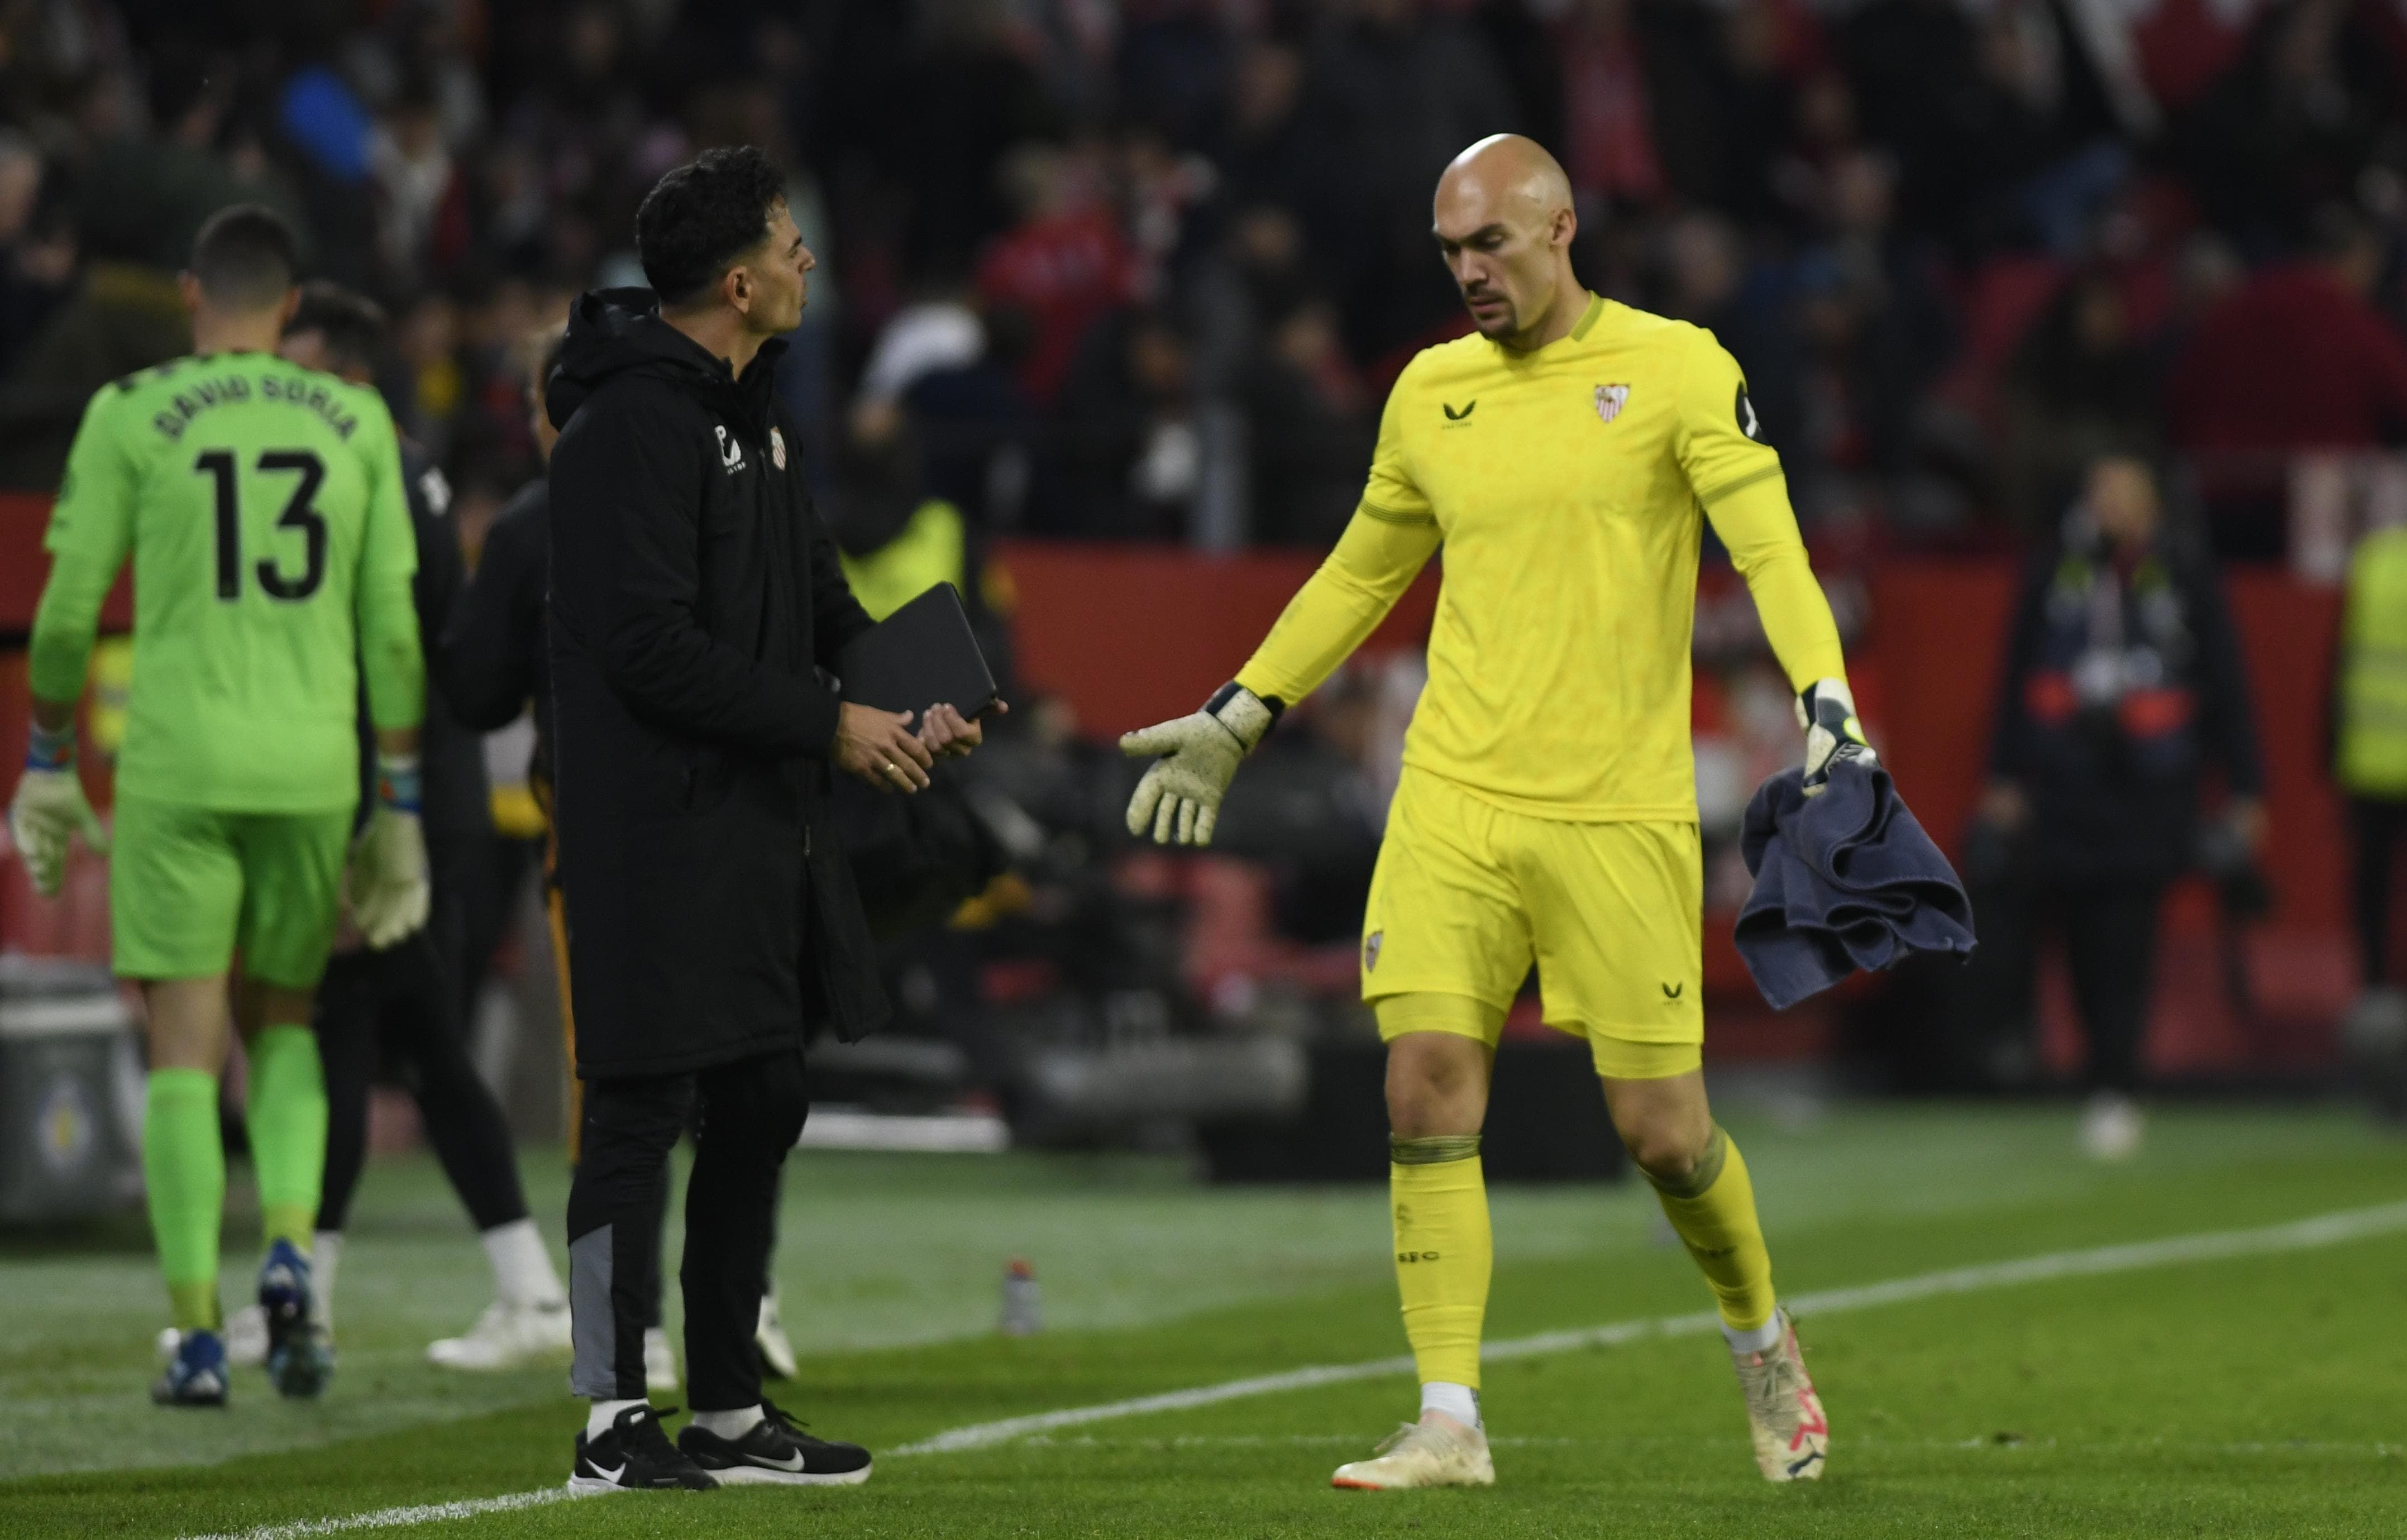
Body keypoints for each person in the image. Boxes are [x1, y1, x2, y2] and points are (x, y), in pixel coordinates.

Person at [1120, 136, 1850, 1490]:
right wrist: (1241, 712)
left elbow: (1769, 549)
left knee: (1662, 1132)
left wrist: (1826, 695)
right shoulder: (1430, 390)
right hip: (1451, 796)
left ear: (1560, 228)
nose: (1467, 271)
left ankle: (1760, 1342)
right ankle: (1447, 1418)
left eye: (1490, 244)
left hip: (1614, 811)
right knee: (1423, 1086)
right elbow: (1359, 574)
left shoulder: (1677, 367)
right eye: (1450, 250)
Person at [546, 146, 984, 1493]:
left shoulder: (760, 418)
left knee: (762, 1096)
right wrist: (828, 725)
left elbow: (823, 603)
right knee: (634, 1114)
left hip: (752, 824)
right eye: (789, 241)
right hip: (648, 835)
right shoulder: (628, 426)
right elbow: (646, 648)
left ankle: (729, 1410)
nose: (808, 260)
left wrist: (913, 699)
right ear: (737, 283)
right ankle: (609, 1413)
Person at [5, 205, 428, 1406]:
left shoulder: (130, 411)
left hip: (179, 767)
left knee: (184, 1049)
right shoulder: (353, 419)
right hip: (310, 770)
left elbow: (67, 615)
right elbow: (395, 635)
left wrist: (48, 757)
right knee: (284, 1022)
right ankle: (290, 1252)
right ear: (291, 308)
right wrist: (398, 801)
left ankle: (196, 1336)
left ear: (193, 294)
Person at [270, 283, 571, 1371]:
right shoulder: (399, 468)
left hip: (394, 802)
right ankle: (314, 1296)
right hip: (407, 797)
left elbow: (415, 654)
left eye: (299, 371)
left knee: (384, 1040)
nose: (279, 392)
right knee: (375, 1040)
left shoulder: (372, 472)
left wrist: (379, 813)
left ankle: (516, 1288)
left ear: (349, 374)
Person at [1978, 455, 2266, 1160]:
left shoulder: (2182, 572)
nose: (2111, 507)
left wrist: (2245, 787)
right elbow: (2015, 670)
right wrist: (2002, 773)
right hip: (2067, 781)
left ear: (2152, 505)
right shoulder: (2056, 571)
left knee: (2128, 932)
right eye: (2101, 493)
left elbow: (2225, 679)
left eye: (2125, 494)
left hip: (2149, 786)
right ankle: (2096, 1070)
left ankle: (2118, 1079)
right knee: (2076, 931)